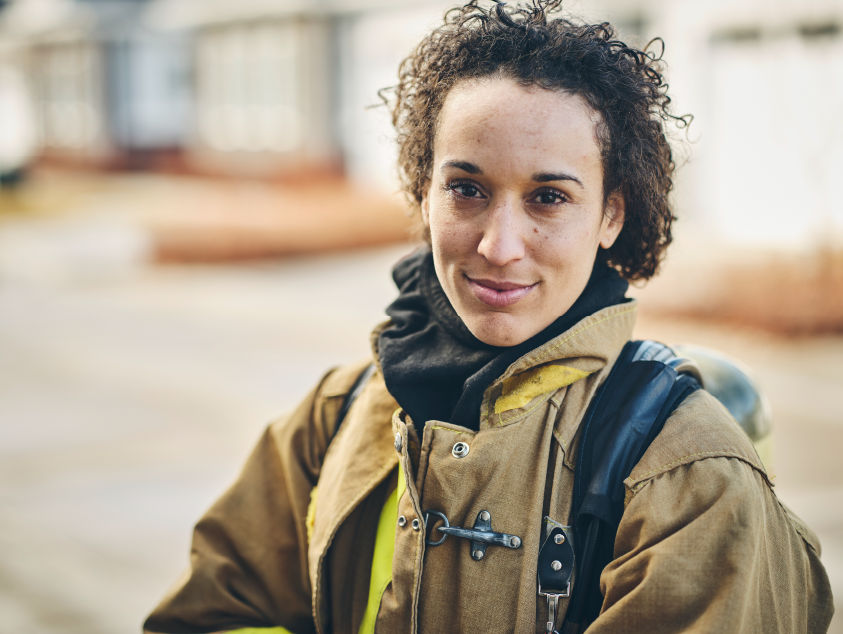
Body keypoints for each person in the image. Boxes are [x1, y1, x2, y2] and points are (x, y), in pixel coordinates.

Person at [144, 1, 833, 632]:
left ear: (610, 214)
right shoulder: (336, 417)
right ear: (424, 195)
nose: (496, 246)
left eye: (548, 199)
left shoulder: (688, 474)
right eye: (466, 189)